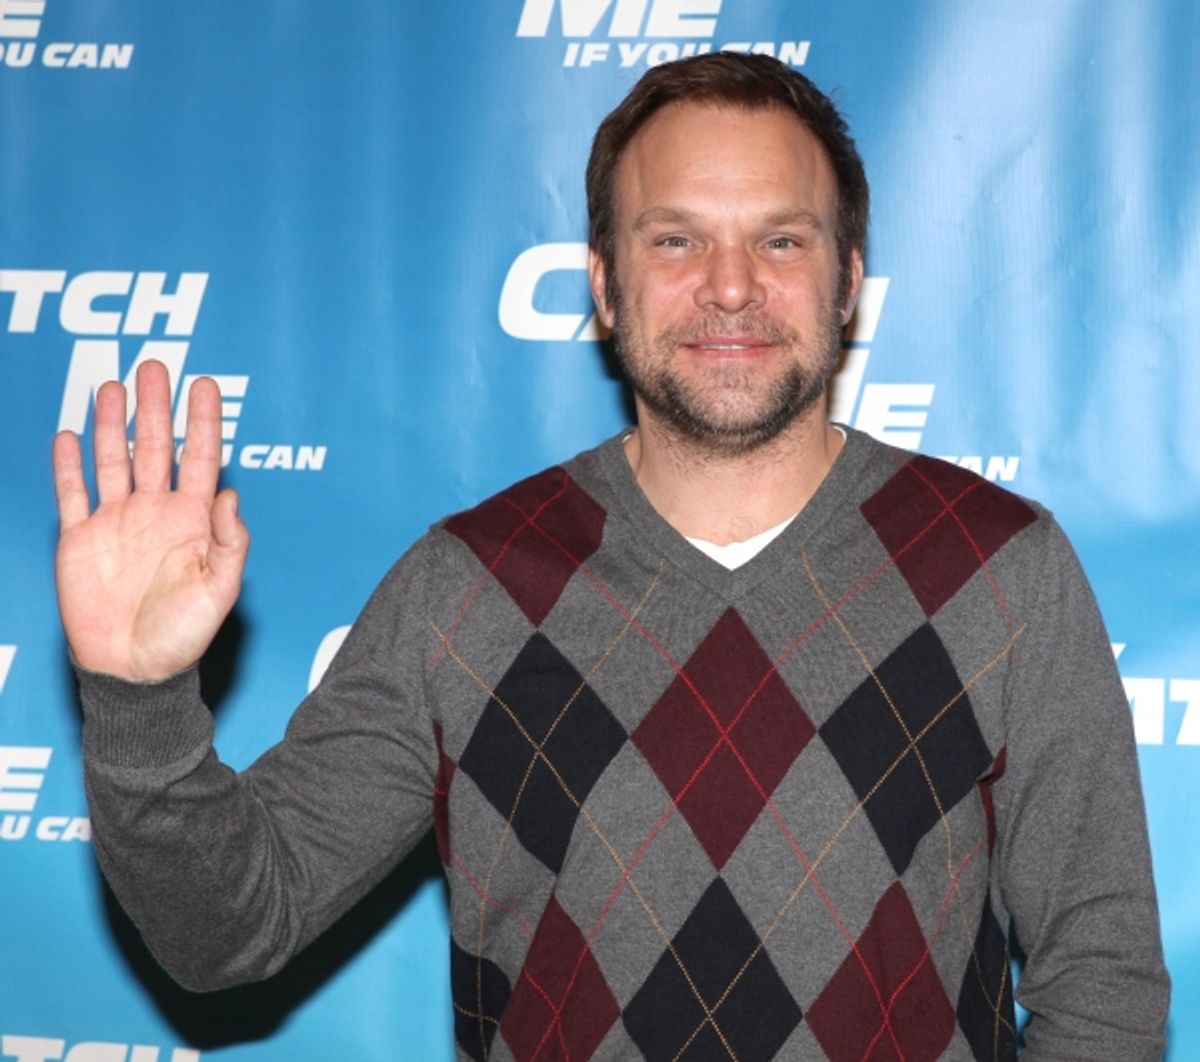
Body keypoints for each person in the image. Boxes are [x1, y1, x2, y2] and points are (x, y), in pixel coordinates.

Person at [54, 53, 1168, 1061]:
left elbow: (1103, 984)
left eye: (781, 239)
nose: (730, 286)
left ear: (847, 283)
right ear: (601, 282)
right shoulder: (469, 587)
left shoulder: (999, 570)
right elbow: (231, 930)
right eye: (675, 239)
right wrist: (137, 695)